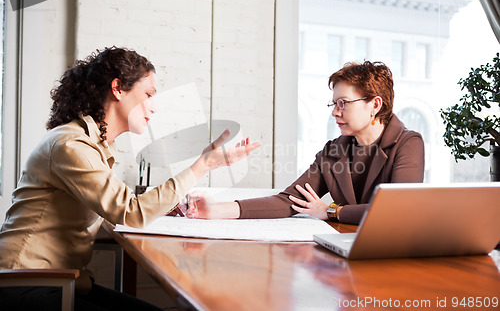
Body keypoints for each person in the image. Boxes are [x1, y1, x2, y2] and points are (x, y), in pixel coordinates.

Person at [0, 47, 260, 311]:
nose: (153, 107)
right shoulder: (72, 145)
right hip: (26, 284)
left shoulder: (90, 144)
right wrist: (201, 166)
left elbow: (121, 202)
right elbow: (130, 212)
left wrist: (173, 206)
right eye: (148, 94)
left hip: (61, 282)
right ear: (118, 89)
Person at [184, 61, 424, 224]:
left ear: (375, 105)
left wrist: (332, 211)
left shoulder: (408, 143)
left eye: (343, 103)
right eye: (334, 104)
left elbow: (398, 210)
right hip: (347, 251)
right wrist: (217, 209)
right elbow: (289, 201)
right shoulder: (334, 151)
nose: (335, 113)